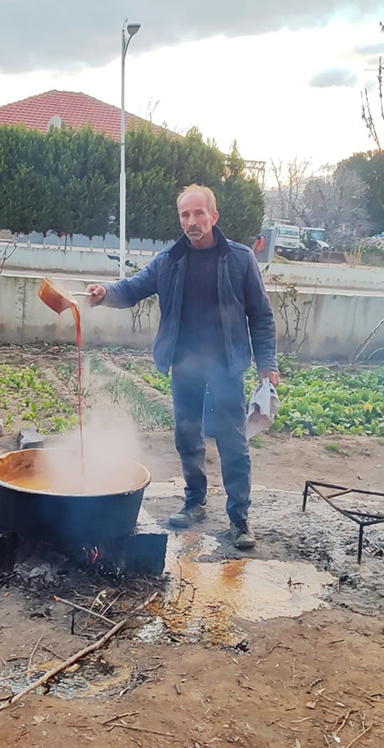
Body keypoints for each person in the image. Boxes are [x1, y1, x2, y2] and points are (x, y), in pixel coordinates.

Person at [87, 184, 278, 549]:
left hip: (226, 365)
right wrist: (105, 293)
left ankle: (240, 520)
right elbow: (133, 288)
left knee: (233, 443)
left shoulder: (240, 259)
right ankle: (195, 503)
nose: (191, 222)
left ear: (213, 216)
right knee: (187, 438)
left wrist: (267, 362)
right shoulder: (169, 261)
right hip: (185, 364)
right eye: (185, 215)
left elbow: (261, 314)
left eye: (198, 213)